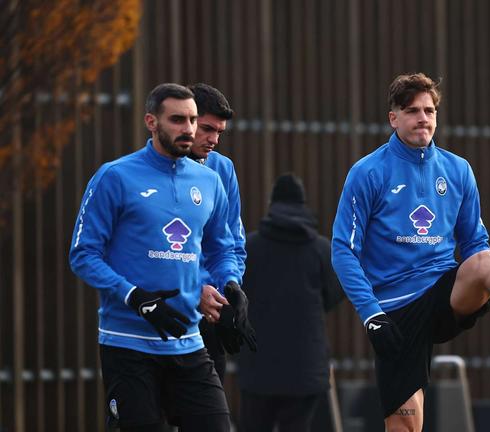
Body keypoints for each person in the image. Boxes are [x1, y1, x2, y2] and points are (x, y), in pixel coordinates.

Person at [331, 72, 490, 431]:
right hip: (396, 309)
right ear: (394, 118)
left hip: (443, 294)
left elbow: (474, 243)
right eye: (412, 110)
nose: (423, 118)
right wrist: (371, 314)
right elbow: (343, 250)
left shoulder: (458, 170)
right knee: (405, 424)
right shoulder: (368, 172)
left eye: (430, 110)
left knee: (483, 260)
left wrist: (487, 286)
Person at [69, 83, 256, 432]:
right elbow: (83, 254)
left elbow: (222, 248)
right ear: (151, 122)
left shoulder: (211, 179)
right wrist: (135, 297)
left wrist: (231, 284)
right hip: (128, 344)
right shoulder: (115, 176)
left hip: (189, 343)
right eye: (177, 120)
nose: (188, 129)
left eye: (192, 120)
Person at [237, 173, 344, 432]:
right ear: (303, 204)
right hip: (306, 365)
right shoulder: (321, 249)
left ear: (271, 204)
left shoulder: (249, 247)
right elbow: (336, 292)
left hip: (257, 365)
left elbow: (235, 293)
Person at [187, 83, 248, 383]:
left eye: (220, 132)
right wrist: (194, 290)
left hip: (209, 317)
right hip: (162, 315)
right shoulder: (146, 174)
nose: (214, 139)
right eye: (207, 129)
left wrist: (231, 288)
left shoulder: (222, 169)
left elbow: (233, 241)